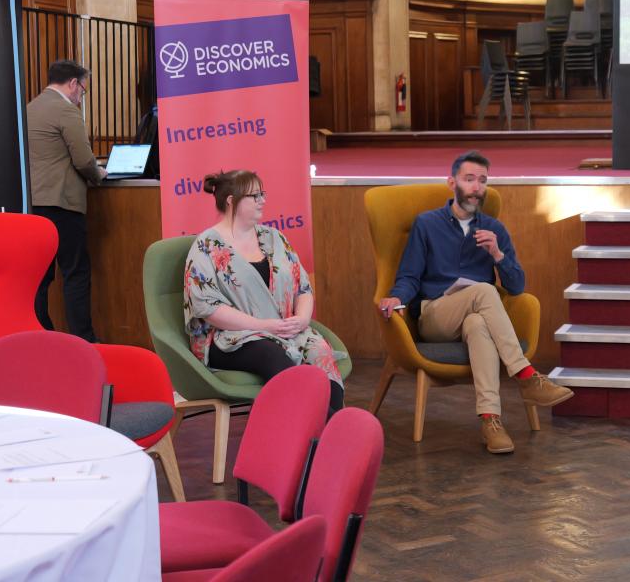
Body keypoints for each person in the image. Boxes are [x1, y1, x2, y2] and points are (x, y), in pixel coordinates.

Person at [379, 150, 573, 454]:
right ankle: (525, 376)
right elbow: (410, 276)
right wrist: (397, 297)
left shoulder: (494, 230)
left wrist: (498, 255)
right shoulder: (427, 224)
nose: (476, 187)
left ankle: (490, 421)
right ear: (452, 182)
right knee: (486, 290)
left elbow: (517, 286)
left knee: (479, 323)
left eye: (482, 181)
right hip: (435, 314)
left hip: (475, 313)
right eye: (469, 179)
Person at [183, 170, 344, 417]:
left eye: (263, 194)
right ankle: (333, 432)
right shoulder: (206, 246)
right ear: (231, 201)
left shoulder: (275, 237)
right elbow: (208, 308)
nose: (263, 200)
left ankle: (320, 436)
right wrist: (263, 325)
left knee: (319, 351)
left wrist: (302, 319)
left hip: (284, 329)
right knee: (269, 352)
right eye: (255, 195)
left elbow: (303, 287)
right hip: (230, 337)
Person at [28, 59, 106, 342]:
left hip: (33, 206)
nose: (80, 97)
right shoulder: (66, 110)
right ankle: (84, 341)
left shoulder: (29, 108)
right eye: (82, 90)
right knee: (76, 273)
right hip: (63, 204)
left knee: (40, 277)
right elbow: (84, 160)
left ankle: (40, 336)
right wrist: (98, 174)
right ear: (73, 83)